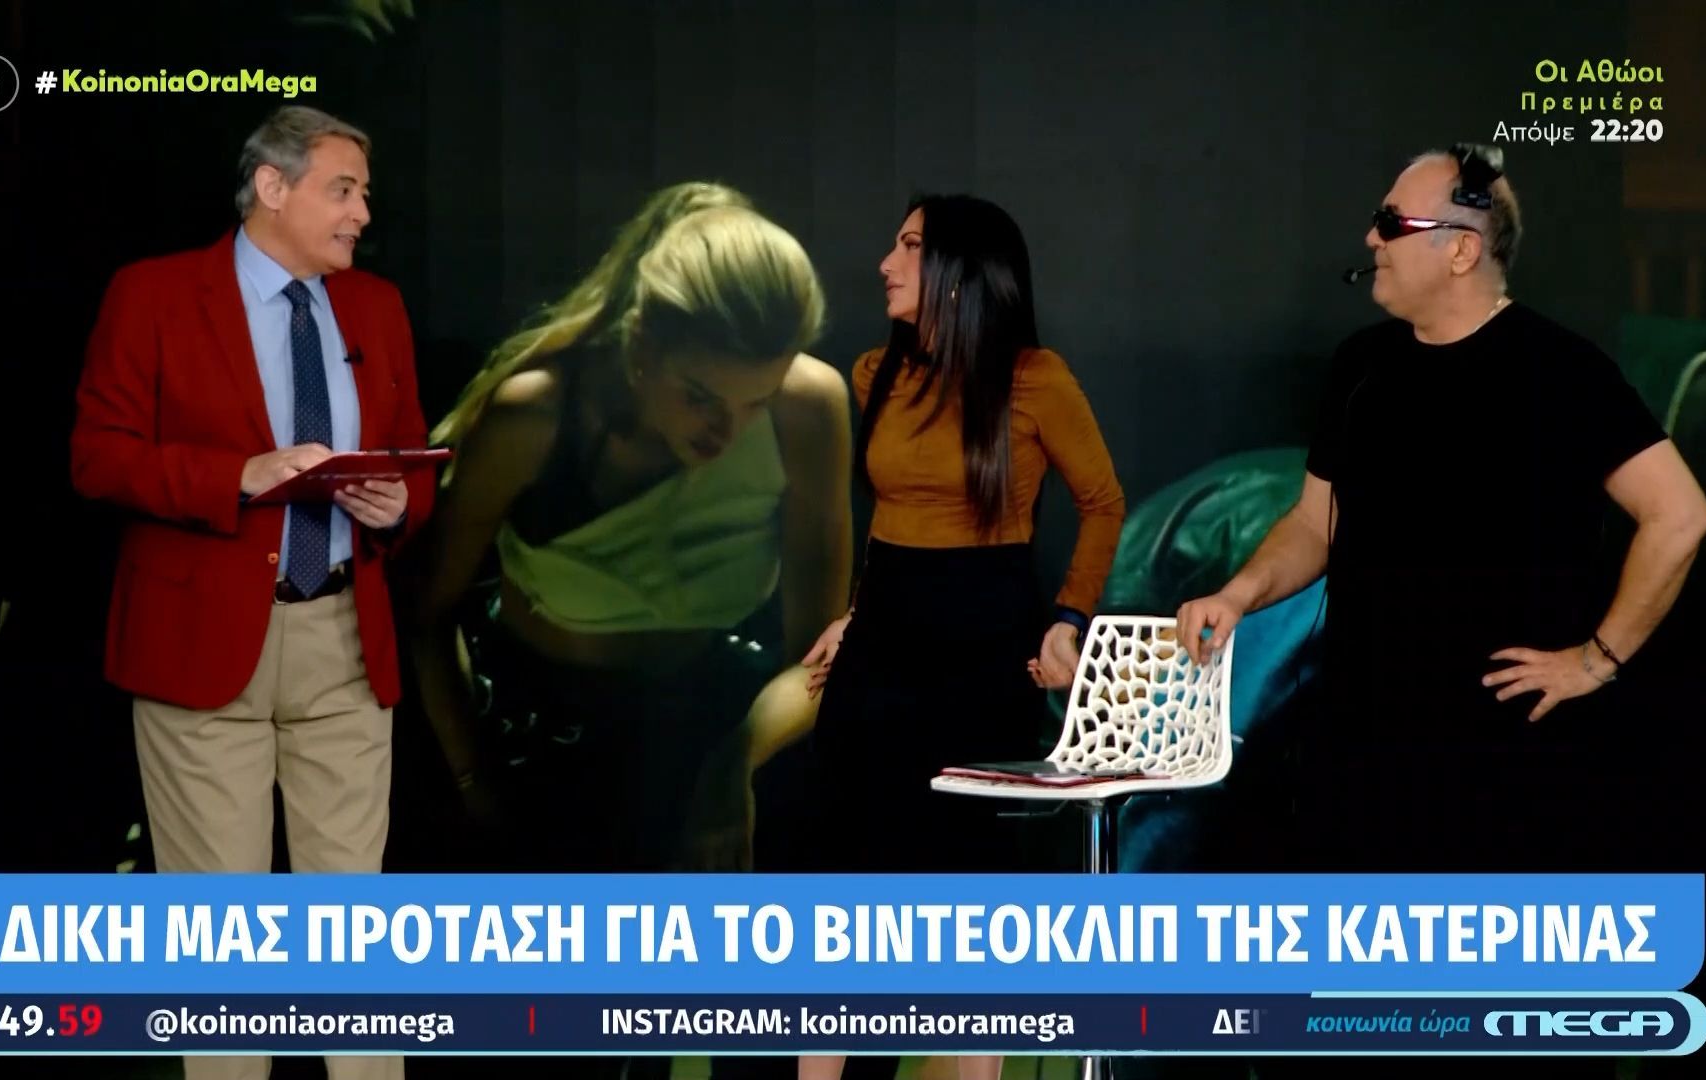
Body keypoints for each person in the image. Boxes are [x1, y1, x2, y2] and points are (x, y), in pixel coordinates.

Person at [1175, 144, 1706, 875]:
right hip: (1362, 749)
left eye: (1392, 223)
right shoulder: (1360, 366)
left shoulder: (1562, 371)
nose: (1371, 238)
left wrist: (1597, 660)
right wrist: (1238, 595)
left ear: (1461, 250)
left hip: (1505, 763)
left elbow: (1679, 514)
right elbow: (1312, 524)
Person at [71, 105, 430, 1080]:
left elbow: (411, 458)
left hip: (345, 643)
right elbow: (98, 457)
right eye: (343, 190)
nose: (362, 213)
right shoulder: (153, 295)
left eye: (364, 193)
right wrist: (237, 475)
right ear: (272, 187)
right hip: (200, 646)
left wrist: (399, 501)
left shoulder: (377, 307)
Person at [409, 182, 851, 889]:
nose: (726, 430)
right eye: (700, 396)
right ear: (642, 342)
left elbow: (820, 659)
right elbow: (426, 614)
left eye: (756, 401)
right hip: (539, 737)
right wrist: (474, 783)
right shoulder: (537, 417)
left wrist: (734, 762)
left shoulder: (809, 406)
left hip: (720, 728)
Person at [799, 194, 1126, 1080]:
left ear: (958, 273)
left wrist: (1068, 620)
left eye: (909, 246)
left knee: (965, 908)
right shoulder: (875, 373)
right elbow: (891, 522)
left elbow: (1102, 504)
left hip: (983, 657)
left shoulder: (1035, 379)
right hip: (882, 656)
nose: (885, 263)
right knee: (842, 897)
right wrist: (857, 612)